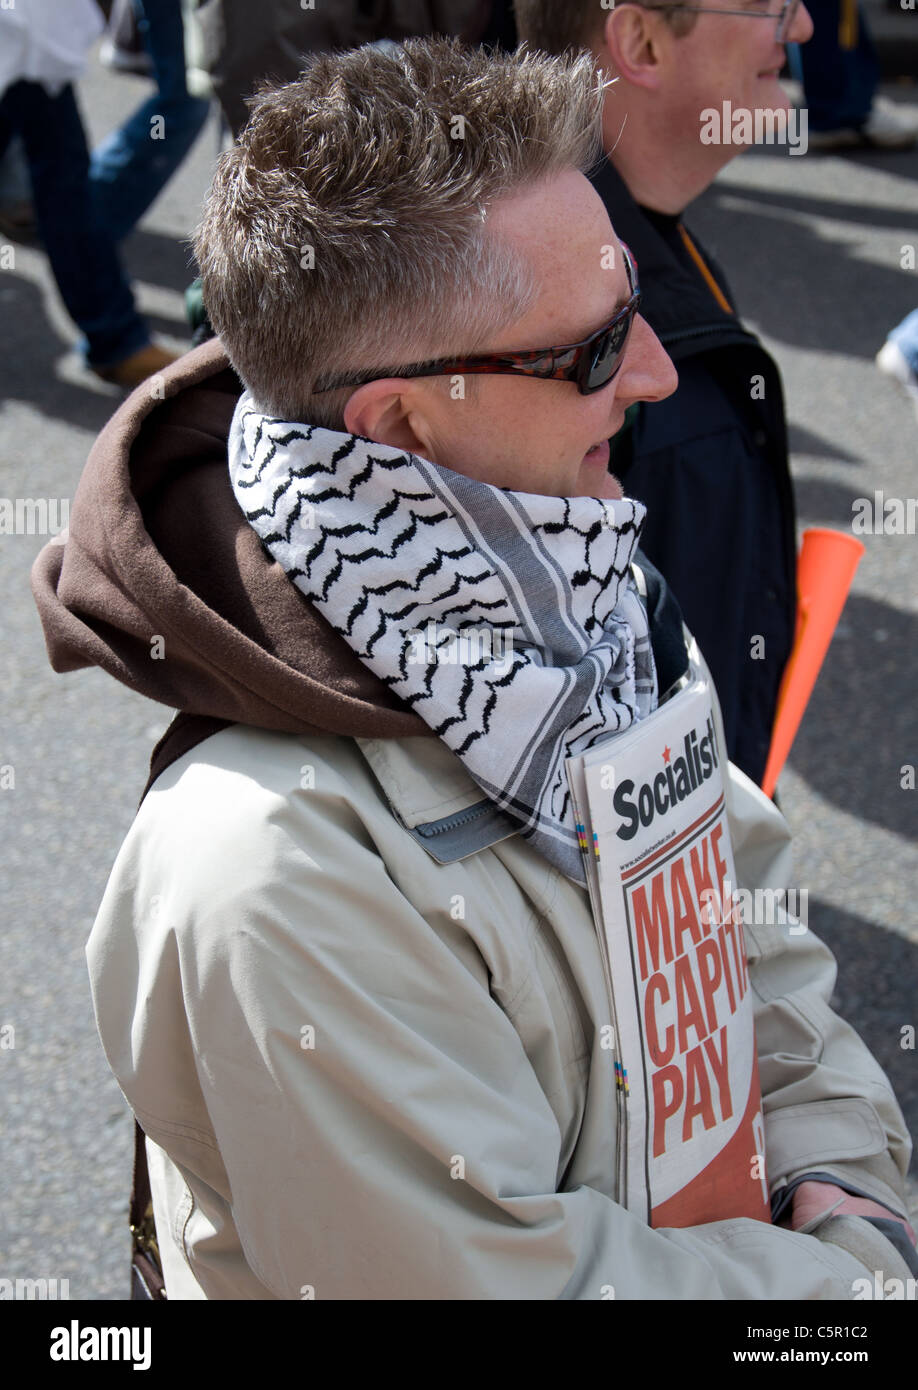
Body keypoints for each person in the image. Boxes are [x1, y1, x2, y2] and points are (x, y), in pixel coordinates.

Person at [32, 39, 916, 1300]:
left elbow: (750, 937)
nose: (658, 372)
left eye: (640, 308)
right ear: (401, 421)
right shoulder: (269, 865)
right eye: (596, 347)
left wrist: (852, 1176)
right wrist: (845, 1282)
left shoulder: (595, 586)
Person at [515, 0, 812, 790]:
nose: (804, 26)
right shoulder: (531, 311)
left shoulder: (648, 235)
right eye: (769, 6)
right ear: (641, 41)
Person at [0, 0, 176, 387]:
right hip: (22, 32)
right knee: (62, 172)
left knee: (62, 172)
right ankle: (115, 338)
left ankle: (115, 337)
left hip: (28, 33)